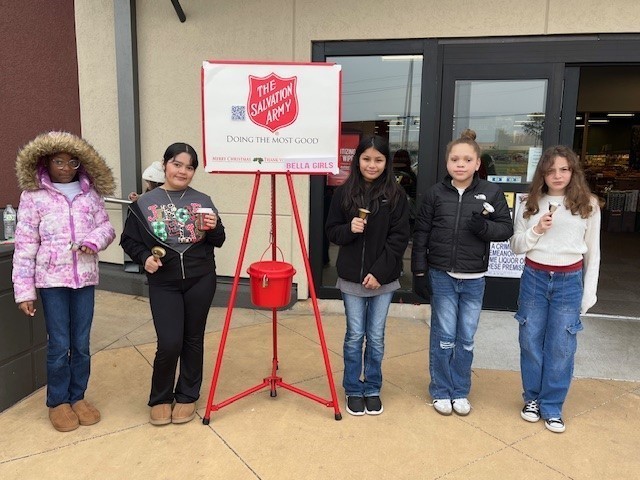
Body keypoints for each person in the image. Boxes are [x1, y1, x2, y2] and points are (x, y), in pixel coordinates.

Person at [12, 131, 116, 432]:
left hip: (84, 279)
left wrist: (93, 241)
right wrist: (24, 292)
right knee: (59, 343)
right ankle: (57, 401)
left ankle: (78, 396)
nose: (65, 167)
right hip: (51, 280)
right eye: (59, 161)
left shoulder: (90, 193)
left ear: (80, 163)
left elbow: (106, 228)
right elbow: (25, 244)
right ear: (46, 161)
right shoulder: (33, 197)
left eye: (72, 161)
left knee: (81, 343)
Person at [120, 142, 225, 426]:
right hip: (163, 282)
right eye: (177, 164)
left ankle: (188, 394)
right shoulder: (144, 203)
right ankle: (161, 397)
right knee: (169, 342)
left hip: (201, 278)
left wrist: (214, 227)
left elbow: (219, 241)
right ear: (165, 164)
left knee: (193, 339)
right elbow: (128, 240)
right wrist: (144, 258)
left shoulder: (202, 199)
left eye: (189, 167)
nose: (183, 171)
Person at [411, 129, 513, 416]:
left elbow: (506, 228)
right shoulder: (435, 194)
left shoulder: (491, 193)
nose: (460, 164)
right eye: (455, 158)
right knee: (444, 337)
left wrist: (485, 228)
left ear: (477, 163)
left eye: (467, 159)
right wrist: (419, 271)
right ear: (447, 163)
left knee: (466, 339)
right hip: (442, 275)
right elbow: (421, 234)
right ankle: (441, 390)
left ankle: (460, 391)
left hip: (474, 279)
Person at [510, 145, 601, 433]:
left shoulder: (588, 204)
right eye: (551, 170)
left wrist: (589, 294)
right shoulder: (529, 203)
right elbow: (516, 247)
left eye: (564, 169)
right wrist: (536, 229)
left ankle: (552, 406)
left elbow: (593, 254)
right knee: (530, 340)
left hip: (569, 280)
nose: (557, 175)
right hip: (534, 277)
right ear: (542, 174)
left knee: (561, 347)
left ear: (573, 172)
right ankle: (532, 399)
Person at [325, 135, 410, 416]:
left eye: (378, 159)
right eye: (366, 159)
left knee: (375, 337)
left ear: (386, 163)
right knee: (354, 335)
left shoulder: (395, 195)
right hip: (351, 279)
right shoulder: (343, 193)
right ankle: (352, 387)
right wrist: (349, 229)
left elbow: (399, 239)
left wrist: (378, 272)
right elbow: (331, 231)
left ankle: (372, 387)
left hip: (382, 280)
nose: (371, 165)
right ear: (357, 160)